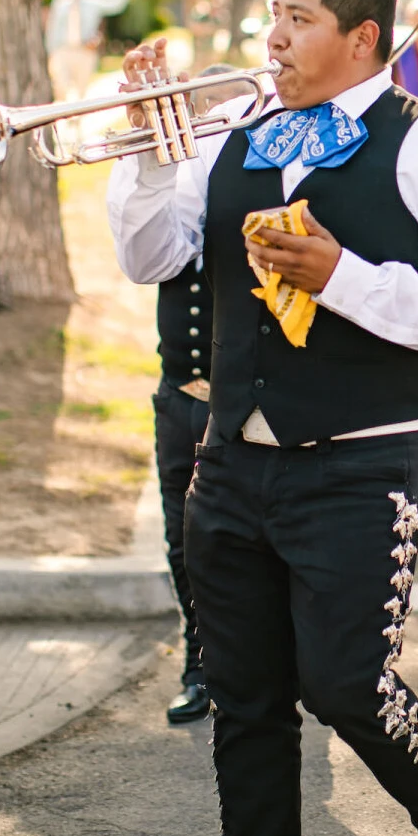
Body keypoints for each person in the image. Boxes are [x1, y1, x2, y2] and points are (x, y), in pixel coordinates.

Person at [107, 0, 418, 836]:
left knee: (347, 686)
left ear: (363, 36)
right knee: (243, 697)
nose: (274, 37)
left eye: (298, 19)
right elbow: (150, 259)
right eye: (273, 16)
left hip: (361, 459)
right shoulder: (235, 137)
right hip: (232, 461)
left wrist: (345, 278)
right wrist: (152, 155)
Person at [105, 68, 246, 727]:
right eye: (202, 114)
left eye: (223, 116)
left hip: (245, 407)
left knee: (253, 548)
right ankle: (200, 663)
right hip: (179, 397)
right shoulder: (166, 184)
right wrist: (152, 158)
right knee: (183, 544)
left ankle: (265, 666)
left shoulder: (259, 181)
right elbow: (144, 261)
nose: (210, 129)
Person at [46, 0, 145, 99]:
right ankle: (63, 116)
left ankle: (76, 119)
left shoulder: (93, 0)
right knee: (61, 86)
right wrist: (51, 52)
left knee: (81, 90)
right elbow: (53, 28)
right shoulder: (60, 1)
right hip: (63, 50)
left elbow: (115, 4)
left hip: (85, 51)